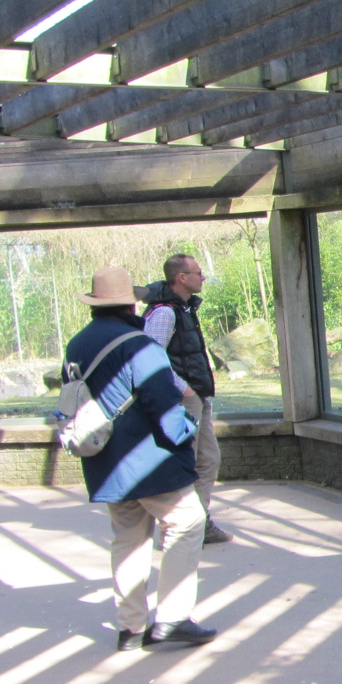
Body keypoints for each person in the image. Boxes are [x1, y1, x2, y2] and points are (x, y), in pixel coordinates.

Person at [63, 267, 216, 652]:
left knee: (128, 539)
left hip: (105, 462)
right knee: (189, 521)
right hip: (150, 462)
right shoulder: (139, 344)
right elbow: (162, 402)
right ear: (130, 302)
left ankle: (130, 628)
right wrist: (187, 430)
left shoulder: (77, 344)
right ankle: (173, 618)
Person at [141, 253, 231, 544]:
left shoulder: (184, 309)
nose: (203, 277)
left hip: (196, 395)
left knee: (207, 459)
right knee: (187, 462)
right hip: (183, 398)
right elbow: (151, 357)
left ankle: (198, 523)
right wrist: (185, 389)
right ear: (182, 278)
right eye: (198, 272)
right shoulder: (166, 313)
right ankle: (181, 527)